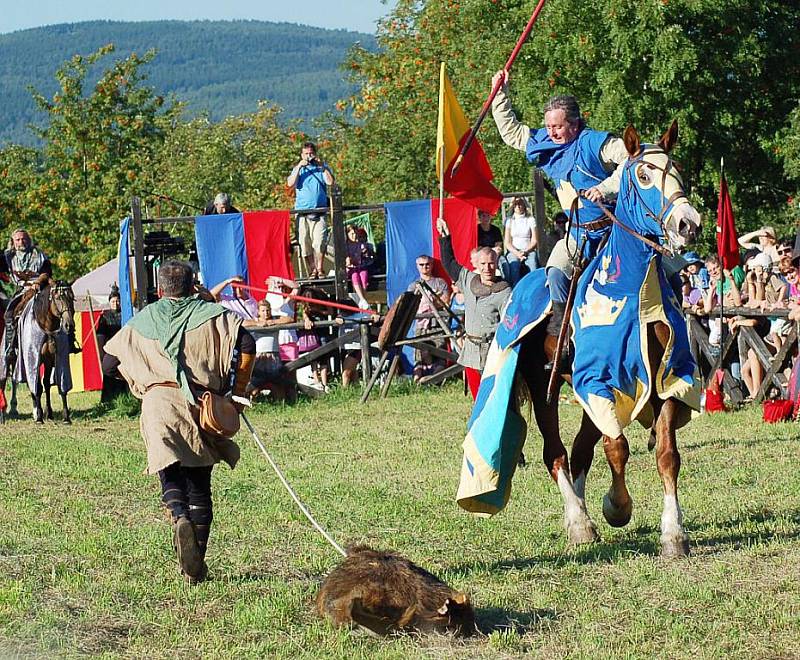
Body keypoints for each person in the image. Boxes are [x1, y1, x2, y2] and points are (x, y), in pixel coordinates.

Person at [102, 260, 255, 584]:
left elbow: (108, 364)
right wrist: (237, 392)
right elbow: (247, 345)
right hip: (200, 404)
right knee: (200, 486)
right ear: (192, 285)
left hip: (157, 404)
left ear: (160, 289)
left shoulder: (142, 320)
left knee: (169, 471)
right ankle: (195, 567)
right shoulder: (214, 315)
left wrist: (139, 380)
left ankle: (178, 515)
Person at [490, 70, 630, 363]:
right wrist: (499, 93)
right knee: (555, 270)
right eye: (549, 126)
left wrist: (605, 188)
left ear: (575, 124)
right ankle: (560, 331)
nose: (552, 132)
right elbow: (512, 132)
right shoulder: (546, 144)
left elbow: (631, 157)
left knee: (662, 265)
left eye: (558, 126)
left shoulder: (596, 143)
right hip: (578, 233)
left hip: (614, 229)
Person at [436, 218, 511, 398]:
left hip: (493, 353)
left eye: (491, 263)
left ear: (496, 263)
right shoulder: (469, 280)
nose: (487, 268)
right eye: (483, 264)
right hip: (471, 350)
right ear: (477, 265)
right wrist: (445, 237)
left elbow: (508, 325)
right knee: (477, 399)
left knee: (494, 399)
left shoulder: (504, 291)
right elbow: (449, 263)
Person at [2, 228, 57, 359]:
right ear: (13, 242)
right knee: (9, 313)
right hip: (22, 290)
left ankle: (69, 340)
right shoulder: (7, 257)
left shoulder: (38, 254)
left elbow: (46, 271)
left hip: (41, 288)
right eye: (18, 239)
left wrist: (38, 281)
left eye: (24, 239)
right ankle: (11, 347)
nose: (21, 242)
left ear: (28, 240)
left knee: (60, 306)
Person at [287, 142, 335, 278]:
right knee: (304, 242)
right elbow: (290, 183)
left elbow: (331, 182)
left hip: (319, 212)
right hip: (302, 214)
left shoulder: (322, 168)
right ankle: (312, 269)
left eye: (311, 153)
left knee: (319, 241)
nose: (309, 157)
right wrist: (299, 166)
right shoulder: (299, 169)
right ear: (302, 155)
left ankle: (320, 269)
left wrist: (322, 167)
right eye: (306, 154)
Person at [407, 254, 451, 382]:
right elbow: (412, 306)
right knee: (419, 356)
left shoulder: (440, 282)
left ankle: (434, 380)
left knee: (440, 353)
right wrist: (430, 300)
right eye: (421, 265)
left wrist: (427, 301)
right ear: (417, 266)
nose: (425, 267)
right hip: (420, 325)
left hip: (437, 324)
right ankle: (418, 383)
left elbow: (445, 302)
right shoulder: (413, 286)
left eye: (427, 264)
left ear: (431, 265)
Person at [502, 196, 538, 285]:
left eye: (520, 204)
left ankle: (533, 286)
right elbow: (507, 242)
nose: (518, 206)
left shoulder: (530, 220)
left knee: (533, 264)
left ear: (524, 205)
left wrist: (525, 252)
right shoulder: (509, 221)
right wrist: (517, 253)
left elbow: (534, 240)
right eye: (516, 204)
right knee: (513, 266)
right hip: (514, 251)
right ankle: (514, 288)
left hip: (528, 250)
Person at [345, 225, 373, 310]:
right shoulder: (345, 246)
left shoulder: (361, 244)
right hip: (351, 269)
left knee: (364, 275)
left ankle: (362, 299)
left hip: (360, 267)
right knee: (355, 275)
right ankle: (362, 299)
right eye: (352, 234)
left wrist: (366, 253)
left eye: (355, 233)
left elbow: (367, 257)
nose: (354, 236)